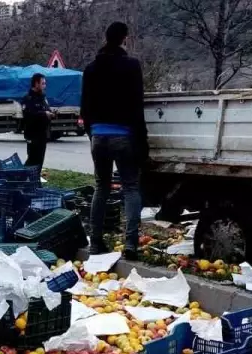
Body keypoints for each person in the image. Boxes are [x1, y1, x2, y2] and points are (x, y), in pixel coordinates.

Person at [81, 21, 146, 259]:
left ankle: (95, 242)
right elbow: (137, 106)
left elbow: (85, 108)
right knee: (130, 187)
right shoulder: (131, 66)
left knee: (102, 187)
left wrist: (92, 134)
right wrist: (142, 142)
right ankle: (130, 244)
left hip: (98, 135)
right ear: (124, 39)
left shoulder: (91, 68)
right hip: (123, 135)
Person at [21, 73, 54, 168]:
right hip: (32, 135)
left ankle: (35, 180)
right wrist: (44, 114)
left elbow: (47, 109)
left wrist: (51, 114)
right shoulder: (28, 98)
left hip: (43, 134)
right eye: (43, 83)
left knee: (39, 161)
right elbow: (28, 115)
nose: (45, 86)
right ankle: (23, 179)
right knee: (32, 160)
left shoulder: (43, 97)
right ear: (36, 84)